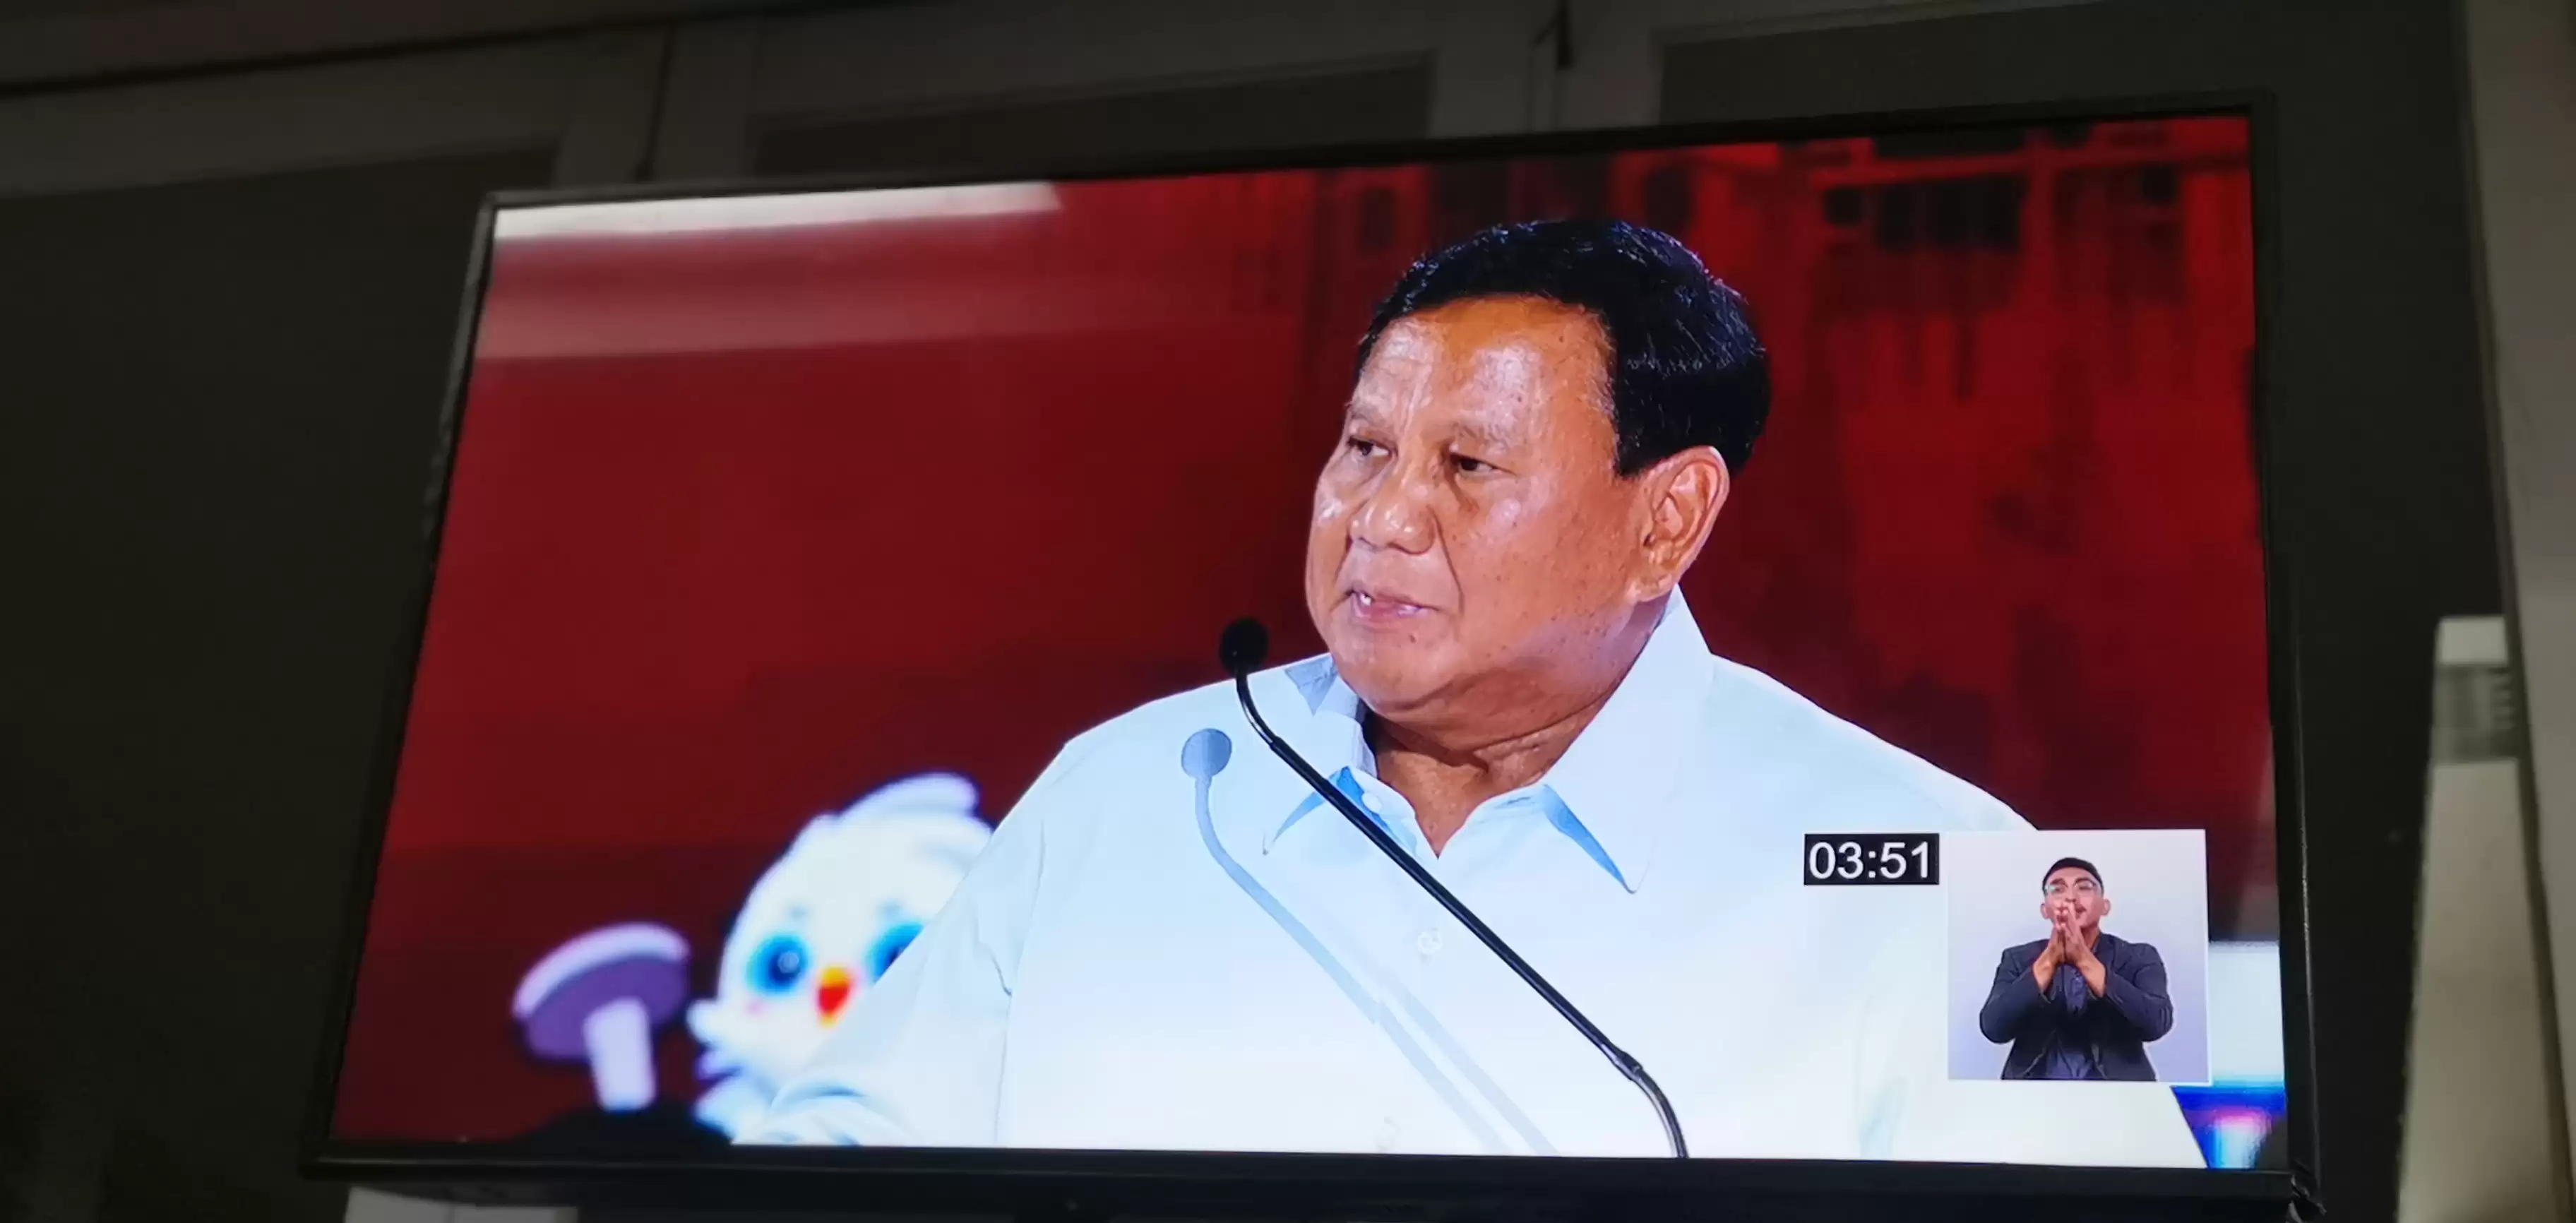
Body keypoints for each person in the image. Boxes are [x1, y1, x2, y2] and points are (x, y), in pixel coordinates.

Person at [748, 220, 2201, 1165]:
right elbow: (832, 1161)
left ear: (1667, 519)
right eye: (1364, 449)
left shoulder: (1977, 869)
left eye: (1466, 465)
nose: (1380, 518)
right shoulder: (1128, 786)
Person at [1977, 857, 2174, 1080]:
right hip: (2032, 1090)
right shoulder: (2017, 958)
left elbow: (2156, 1024)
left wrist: (2085, 960)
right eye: (2057, 889)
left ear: (2105, 906)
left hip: (2119, 1093)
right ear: (2045, 910)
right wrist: (2048, 961)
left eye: (2084, 887)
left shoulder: (2139, 955)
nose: (2070, 897)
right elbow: (1993, 1028)